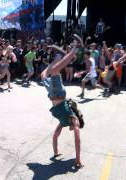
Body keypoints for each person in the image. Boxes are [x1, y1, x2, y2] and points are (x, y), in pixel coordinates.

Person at [41, 34, 84, 168]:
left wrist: (56, 152)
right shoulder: (73, 120)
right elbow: (77, 140)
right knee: (54, 71)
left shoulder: (63, 122)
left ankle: (59, 56)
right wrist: (77, 160)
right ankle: (75, 49)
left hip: (52, 95)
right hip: (59, 94)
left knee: (43, 75)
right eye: (75, 128)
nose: (72, 129)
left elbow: (55, 136)